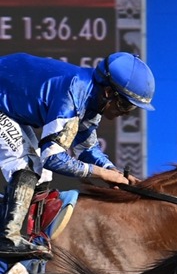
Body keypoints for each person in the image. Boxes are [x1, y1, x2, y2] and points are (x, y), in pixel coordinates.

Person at [0, 52, 155, 259]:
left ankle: (24, 235)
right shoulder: (73, 94)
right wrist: (101, 174)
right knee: (29, 166)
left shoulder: (92, 100)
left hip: (8, 104)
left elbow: (87, 149)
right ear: (109, 92)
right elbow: (52, 158)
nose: (127, 113)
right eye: (126, 105)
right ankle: (8, 240)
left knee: (42, 176)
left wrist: (113, 171)